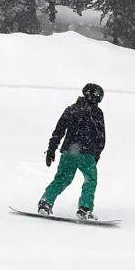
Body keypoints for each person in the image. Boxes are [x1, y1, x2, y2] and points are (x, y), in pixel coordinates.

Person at [38, 83, 106, 220]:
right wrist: (96, 155)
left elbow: (59, 131)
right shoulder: (97, 113)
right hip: (87, 154)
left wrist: (52, 148)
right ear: (94, 96)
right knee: (90, 180)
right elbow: (101, 137)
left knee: (62, 179)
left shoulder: (72, 109)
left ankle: (45, 202)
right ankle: (84, 208)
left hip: (69, 152)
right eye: (99, 97)